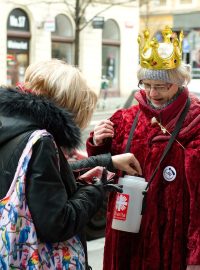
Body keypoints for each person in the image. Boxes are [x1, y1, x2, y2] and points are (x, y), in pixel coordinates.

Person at [0, 59, 141, 269]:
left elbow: (37, 180)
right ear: (68, 107)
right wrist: (97, 188)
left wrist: (108, 162)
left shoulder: (11, 124)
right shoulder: (41, 141)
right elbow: (58, 223)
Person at [86, 26, 200, 270]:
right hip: (126, 231)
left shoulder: (195, 121)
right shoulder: (124, 118)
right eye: (146, 84)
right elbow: (103, 170)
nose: (151, 93)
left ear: (179, 82)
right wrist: (97, 144)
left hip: (171, 240)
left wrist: (195, 254)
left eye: (161, 86)